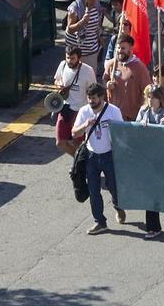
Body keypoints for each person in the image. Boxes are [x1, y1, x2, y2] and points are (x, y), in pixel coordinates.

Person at [71, 81, 125, 233]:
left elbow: (121, 133)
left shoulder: (113, 111)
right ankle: (99, 221)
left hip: (109, 155)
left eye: (94, 98)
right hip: (91, 156)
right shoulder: (84, 111)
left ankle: (118, 207)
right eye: (89, 98)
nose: (91, 101)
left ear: (102, 97)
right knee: (94, 191)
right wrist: (86, 125)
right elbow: (74, 133)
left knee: (114, 188)